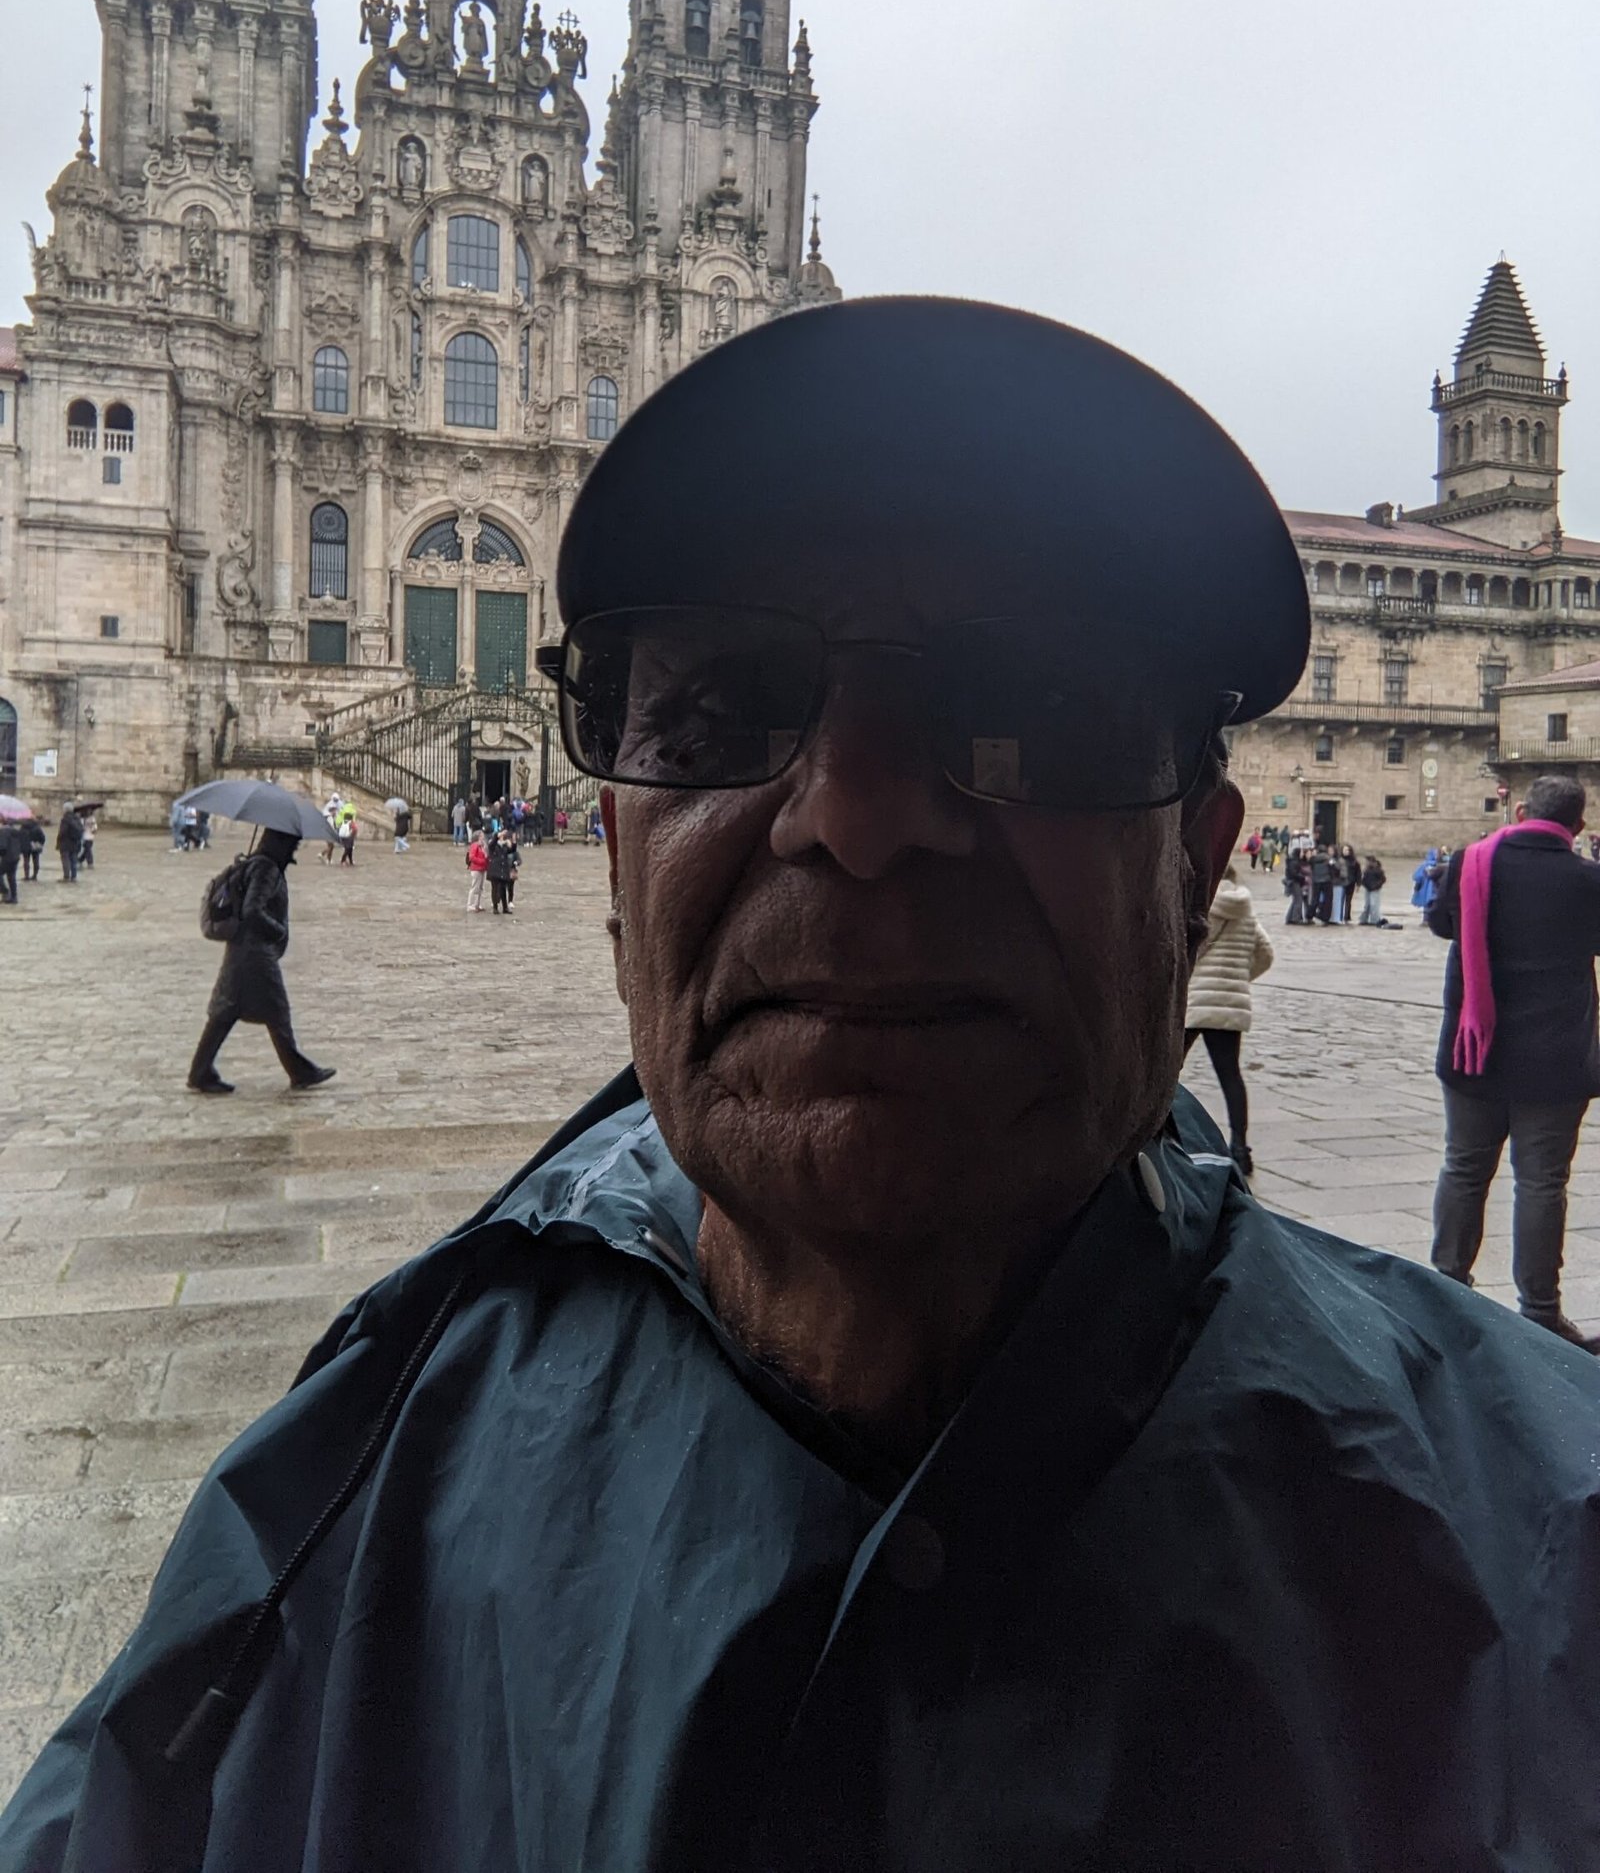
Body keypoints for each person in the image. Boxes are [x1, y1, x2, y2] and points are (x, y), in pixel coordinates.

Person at [10, 301, 1600, 1873]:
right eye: (718, 712)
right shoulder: (348, 1491)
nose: (856, 811)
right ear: (617, 857)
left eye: (1030, 712)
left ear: (1198, 868)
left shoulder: (1552, 1542)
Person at [1429, 775, 1600, 1352]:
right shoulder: (1588, 881)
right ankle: (1541, 1313)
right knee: (1542, 1184)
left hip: (1473, 1052)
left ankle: (1445, 1290)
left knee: (1463, 1169)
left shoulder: (1470, 863)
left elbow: (1441, 924)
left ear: (1522, 811)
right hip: (1556, 1061)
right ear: (1577, 826)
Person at [186, 828, 335, 1097]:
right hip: (256, 953)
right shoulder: (266, 869)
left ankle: (200, 1071)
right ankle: (300, 1071)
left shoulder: (255, 864)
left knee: (225, 1012)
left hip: (240, 950)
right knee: (276, 1012)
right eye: (292, 844)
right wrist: (277, 930)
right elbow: (252, 910)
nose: (294, 850)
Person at [1183, 863, 1273, 1174]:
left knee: (1168, 1071)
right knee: (1230, 1075)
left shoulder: (1203, 908)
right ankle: (1241, 1149)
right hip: (1229, 1004)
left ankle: (1160, 1136)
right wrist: (1238, 981)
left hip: (1195, 1000)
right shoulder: (1245, 910)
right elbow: (1266, 953)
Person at [487, 826, 520, 916]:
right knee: (495, 889)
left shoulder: (505, 845)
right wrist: (498, 835)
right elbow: (492, 843)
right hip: (495, 869)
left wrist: (514, 841)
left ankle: (505, 907)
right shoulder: (493, 845)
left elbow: (512, 850)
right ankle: (495, 907)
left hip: (503, 869)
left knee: (503, 889)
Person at [56, 805, 84, 883]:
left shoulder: (65, 819)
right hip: (75, 843)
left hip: (65, 843)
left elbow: (62, 832)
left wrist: (59, 840)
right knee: (74, 860)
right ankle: (74, 876)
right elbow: (82, 829)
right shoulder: (77, 818)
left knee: (66, 860)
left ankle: (66, 876)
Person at [1359, 852, 1387, 926]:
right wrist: (1364, 884)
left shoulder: (1378, 870)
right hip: (1367, 889)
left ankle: (1374, 920)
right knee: (1367, 905)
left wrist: (1376, 886)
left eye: (1367, 861)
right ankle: (1363, 920)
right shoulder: (1366, 870)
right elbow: (1363, 879)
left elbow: (1383, 879)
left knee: (1374, 905)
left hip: (1375, 889)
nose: (1366, 863)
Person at [1412, 845, 1443, 909]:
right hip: (1438, 894)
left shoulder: (1425, 865)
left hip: (1426, 894)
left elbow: (1418, 878)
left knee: (1427, 910)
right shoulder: (1442, 866)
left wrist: (1416, 892)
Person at [466, 832, 489, 913]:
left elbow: (486, 856)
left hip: (482, 868)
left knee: (480, 887)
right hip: (476, 869)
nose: (483, 837)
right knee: (475, 887)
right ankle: (470, 904)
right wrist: (482, 861)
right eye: (482, 836)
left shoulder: (483, 846)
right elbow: (472, 857)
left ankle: (477, 904)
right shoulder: (475, 845)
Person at [0, 818, 21, 904]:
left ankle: (5, 891)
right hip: (15, 857)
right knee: (11, 877)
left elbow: (2, 846)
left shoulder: (3, 832)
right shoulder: (16, 832)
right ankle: (14, 897)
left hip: (7, 857)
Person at [20, 816, 44, 882]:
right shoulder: (37, 827)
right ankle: (35, 875)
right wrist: (40, 843)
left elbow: (20, 837)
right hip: (35, 846)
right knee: (36, 861)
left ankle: (26, 876)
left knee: (26, 861)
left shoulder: (23, 827)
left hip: (26, 846)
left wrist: (21, 845)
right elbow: (42, 837)